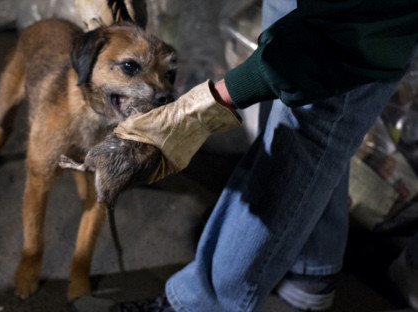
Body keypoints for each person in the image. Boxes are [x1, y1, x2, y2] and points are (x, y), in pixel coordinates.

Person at [108, 0, 418, 311]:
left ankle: (203, 303)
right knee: (290, 112)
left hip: (354, 27)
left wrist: (205, 107)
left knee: (306, 130)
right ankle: (310, 267)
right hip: (325, 17)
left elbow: (332, 39)